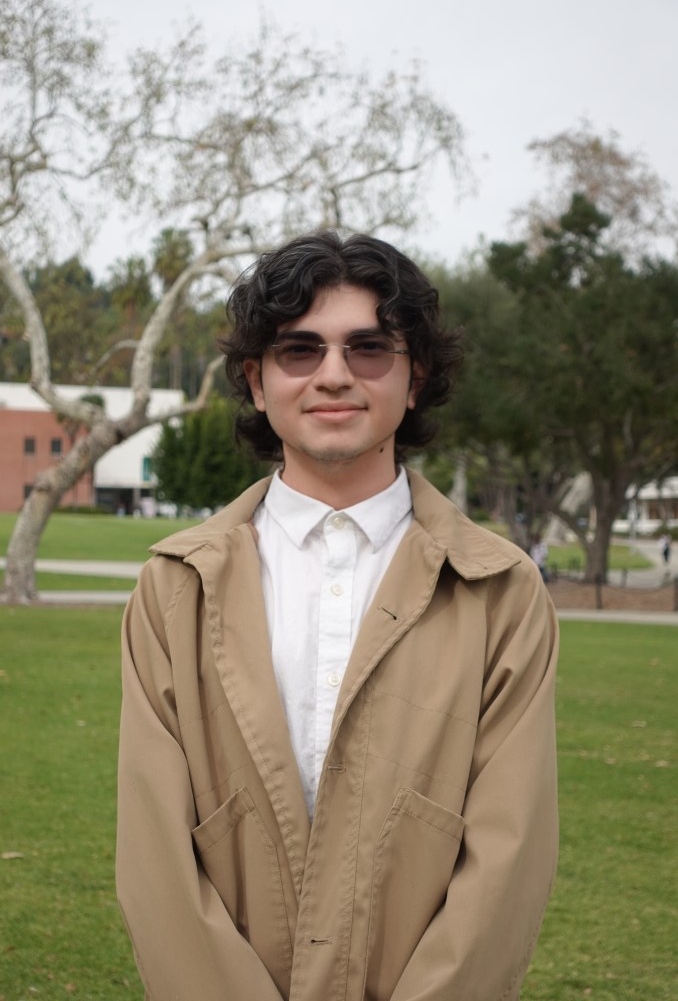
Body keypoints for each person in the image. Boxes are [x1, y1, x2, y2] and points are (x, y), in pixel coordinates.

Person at [116, 231, 559, 1001]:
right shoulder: (173, 590)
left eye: (369, 348)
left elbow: (506, 864)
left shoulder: (502, 593)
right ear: (256, 382)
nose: (333, 375)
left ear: (416, 378)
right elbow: (156, 862)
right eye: (299, 350)